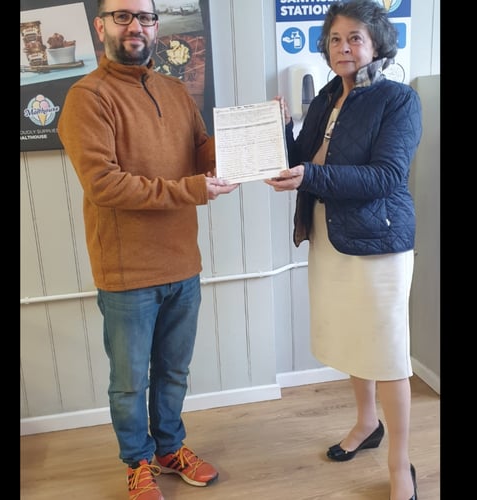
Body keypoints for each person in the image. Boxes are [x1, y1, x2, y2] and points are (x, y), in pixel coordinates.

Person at [57, 1, 239, 499]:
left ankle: (169, 448)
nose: (135, 26)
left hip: (184, 263)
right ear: (101, 27)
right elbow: (106, 186)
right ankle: (136, 462)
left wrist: (247, 140)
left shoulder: (176, 91)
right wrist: (191, 191)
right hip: (126, 273)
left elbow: (201, 151)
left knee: (174, 372)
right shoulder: (86, 98)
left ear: (157, 27)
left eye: (145, 17)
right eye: (122, 16)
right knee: (130, 382)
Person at [265, 2, 422, 499]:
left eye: (355, 38)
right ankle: (366, 424)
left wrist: (309, 175)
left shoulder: (398, 99)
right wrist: (281, 130)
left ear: (377, 44)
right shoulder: (327, 96)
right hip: (331, 237)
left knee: (388, 353)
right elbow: (302, 162)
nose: (344, 48)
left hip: (379, 243)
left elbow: (386, 176)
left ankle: (401, 466)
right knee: (357, 341)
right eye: (335, 39)